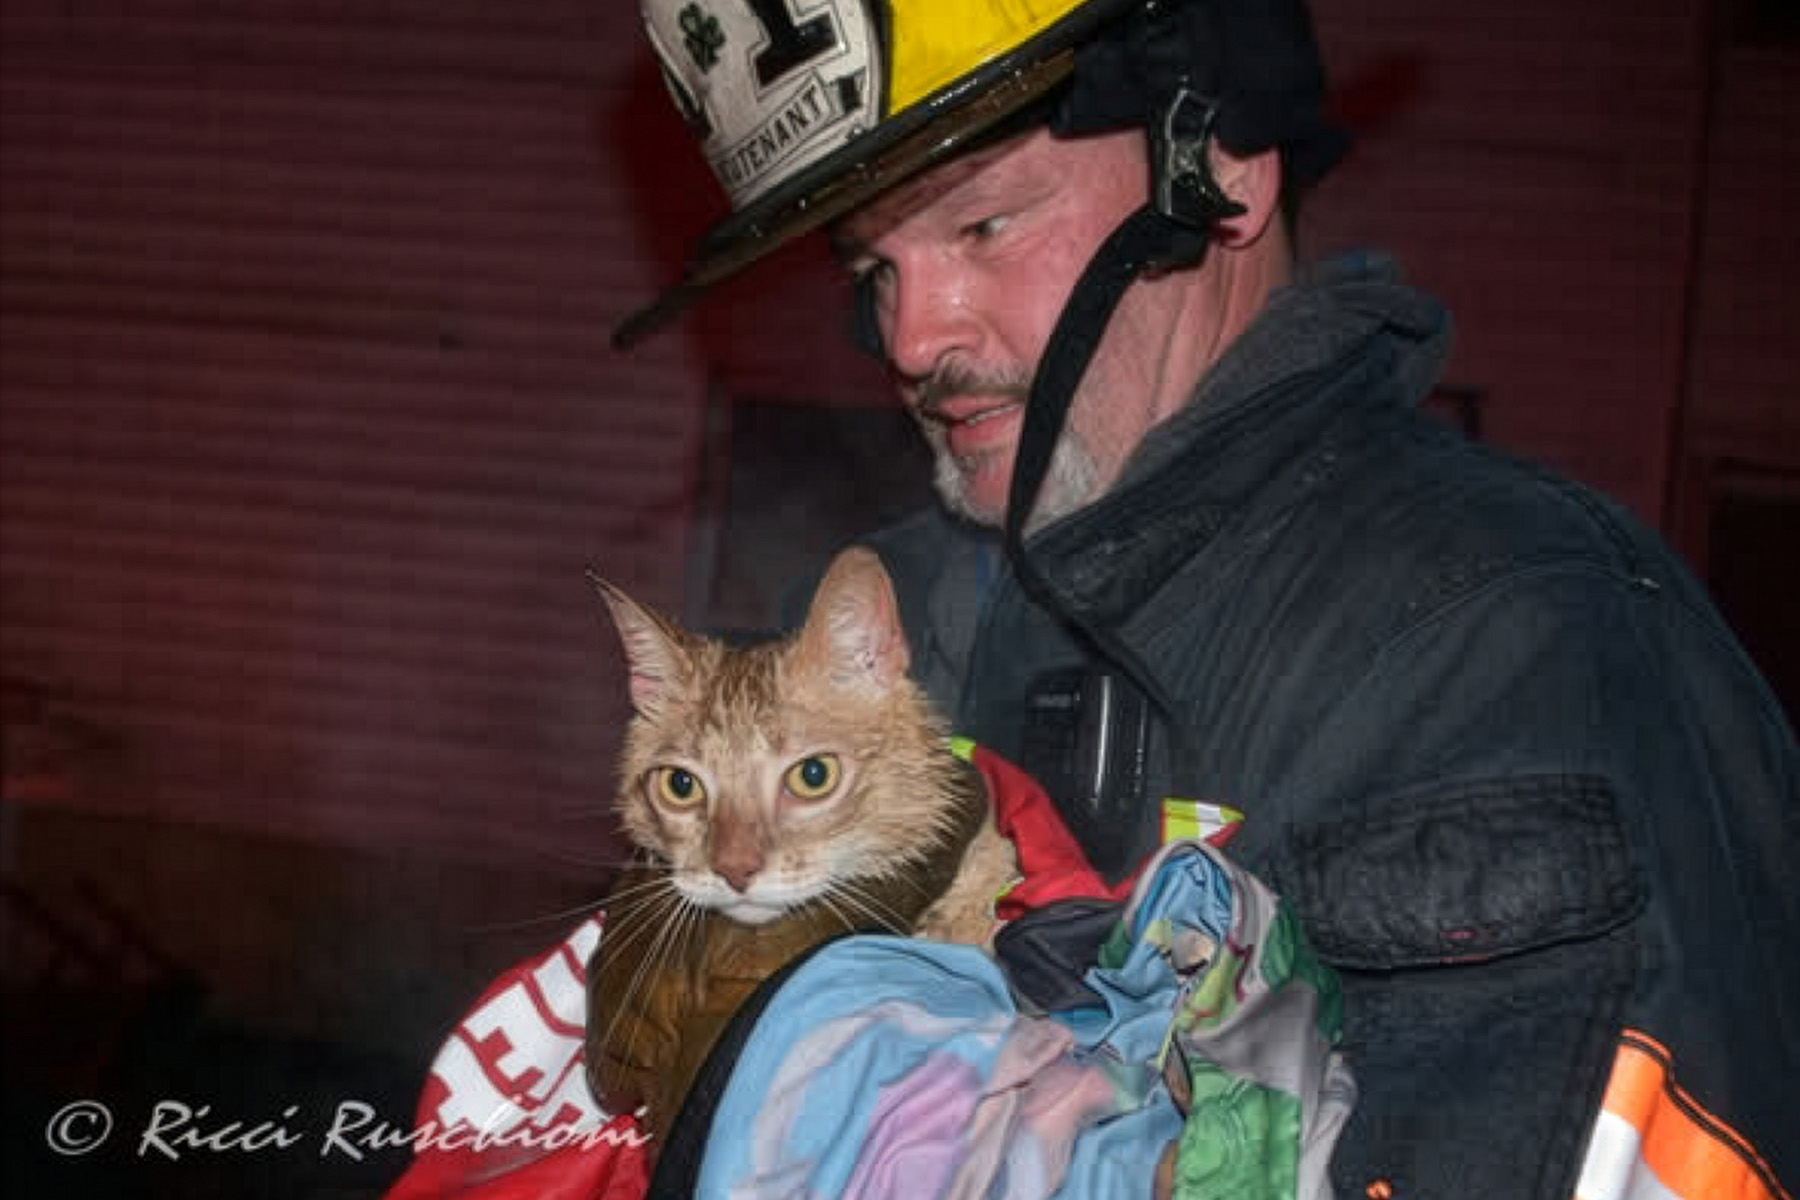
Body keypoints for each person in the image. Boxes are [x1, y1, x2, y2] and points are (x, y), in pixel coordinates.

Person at [610, 0, 1800, 1195]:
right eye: (876, 268)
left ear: (1220, 177)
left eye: (983, 223)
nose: (912, 338)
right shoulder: (909, 610)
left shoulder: (1518, 641)